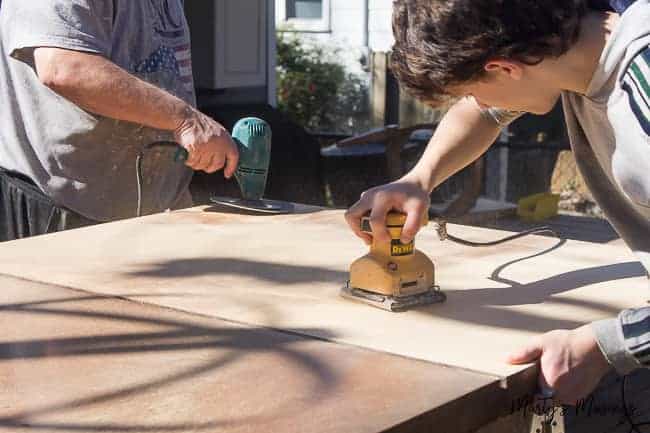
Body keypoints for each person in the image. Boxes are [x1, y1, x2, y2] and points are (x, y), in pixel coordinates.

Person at [346, 0, 650, 406]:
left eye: (473, 90)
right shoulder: (572, 52)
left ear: (504, 68)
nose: (481, 102)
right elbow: (482, 115)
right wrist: (420, 178)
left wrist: (607, 345)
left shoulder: (642, 95)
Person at [0, 0, 239, 241]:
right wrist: (185, 120)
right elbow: (64, 67)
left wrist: (173, 191)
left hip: (150, 205)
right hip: (65, 207)